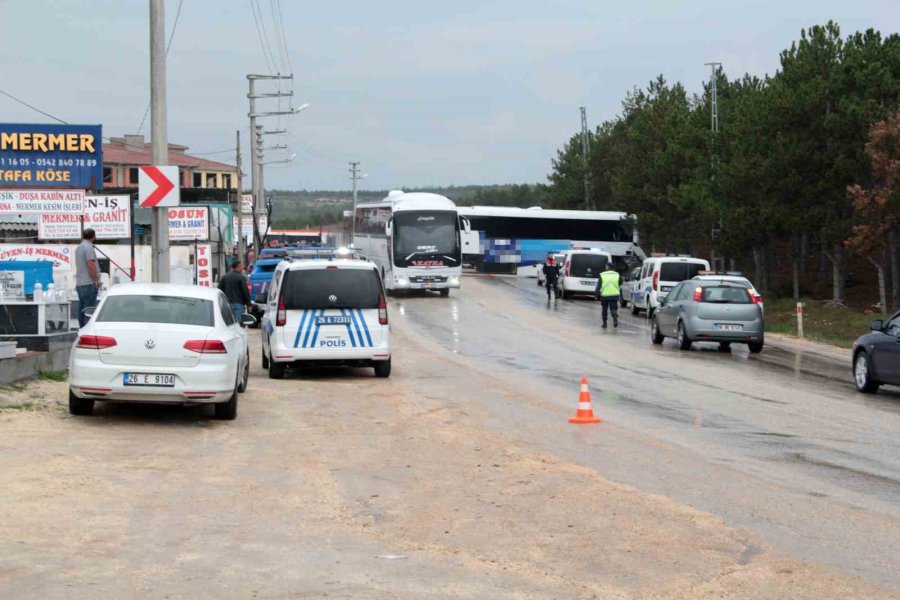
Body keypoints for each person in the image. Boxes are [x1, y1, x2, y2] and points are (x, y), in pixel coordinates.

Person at [75, 228, 101, 328]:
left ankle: (81, 330)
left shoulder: (79, 247)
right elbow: (90, 264)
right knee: (89, 310)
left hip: (80, 283)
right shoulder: (89, 247)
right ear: (93, 236)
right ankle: (87, 330)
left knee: (81, 308)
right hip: (88, 283)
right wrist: (96, 280)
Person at [219, 260, 252, 326]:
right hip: (238, 304)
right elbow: (245, 291)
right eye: (241, 266)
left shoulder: (225, 277)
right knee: (238, 324)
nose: (242, 268)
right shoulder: (241, 277)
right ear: (238, 267)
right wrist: (249, 304)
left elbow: (220, 290)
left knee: (228, 323)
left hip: (227, 304)